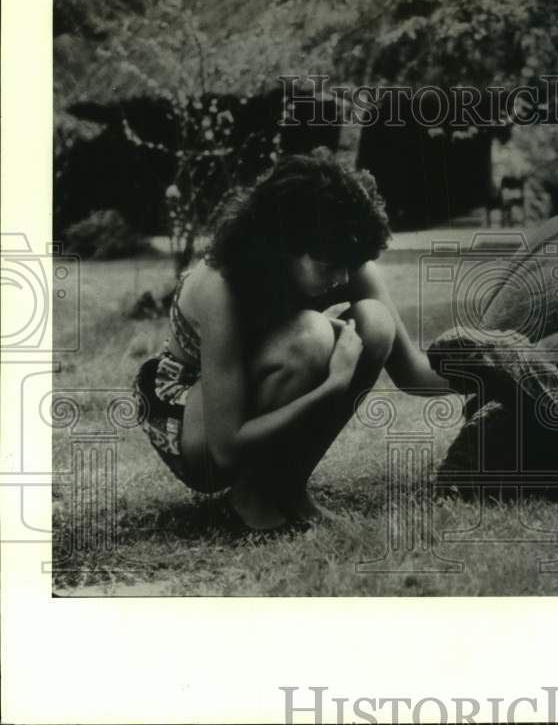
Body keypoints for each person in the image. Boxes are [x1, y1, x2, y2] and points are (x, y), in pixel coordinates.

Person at [132, 148, 453, 530]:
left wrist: (494, 369)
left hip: (252, 393)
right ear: (283, 243)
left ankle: (287, 487)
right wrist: (333, 385)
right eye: (329, 265)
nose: (343, 278)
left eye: (350, 264)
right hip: (193, 423)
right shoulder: (224, 283)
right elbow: (226, 446)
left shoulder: (339, 256)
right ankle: (248, 500)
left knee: (376, 321)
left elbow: (414, 373)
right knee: (313, 337)